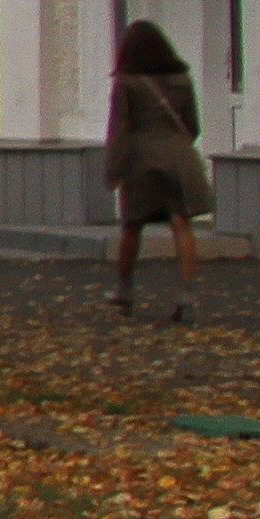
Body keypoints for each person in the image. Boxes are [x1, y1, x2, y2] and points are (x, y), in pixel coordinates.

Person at [104, 18, 213, 323]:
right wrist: (176, 146)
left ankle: (124, 289)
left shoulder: (126, 83)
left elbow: (120, 129)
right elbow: (193, 124)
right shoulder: (182, 78)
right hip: (179, 156)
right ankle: (187, 293)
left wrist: (113, 169)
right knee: (182, 224)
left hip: (142, 160)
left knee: (132, 225)